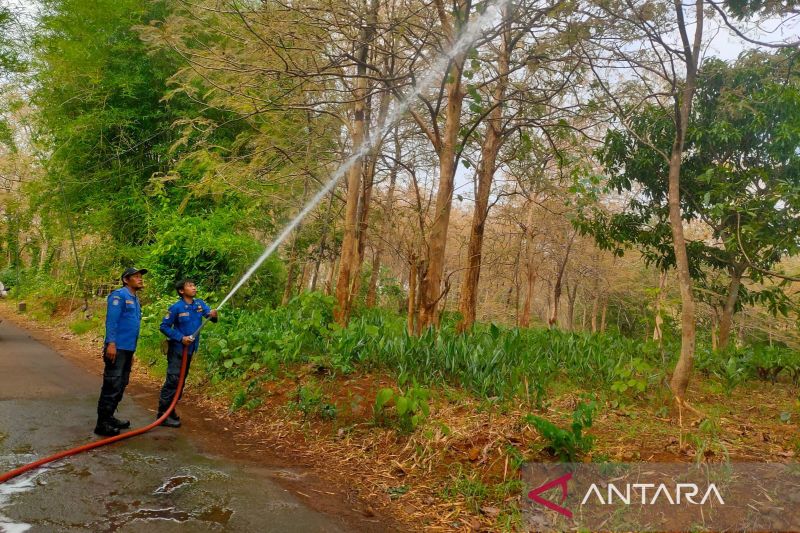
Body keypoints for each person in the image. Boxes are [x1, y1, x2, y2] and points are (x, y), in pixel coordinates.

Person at [157, 279, 218, 427]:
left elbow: (211, 317)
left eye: (194, 285)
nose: (194, 287)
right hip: (178, 350)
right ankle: (163, 414)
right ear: (181, 291)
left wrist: (214, 315)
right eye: (190, 286)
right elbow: (164, 326)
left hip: (190, 350)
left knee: (181, 382)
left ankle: (170, 411)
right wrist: (180, 338)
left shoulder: (199, 304)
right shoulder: (176, 308)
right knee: (173, 381)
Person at [95, 267, 147, 437]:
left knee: (121, 383)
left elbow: (132, 327)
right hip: (116, 348)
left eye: (141, 277)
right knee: (112, 384)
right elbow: (112, 321)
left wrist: (132, 352)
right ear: (126, 280)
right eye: (136, 277)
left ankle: (109, 417)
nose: (140, 279)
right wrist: (111, 343)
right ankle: (102, 424)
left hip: (127, 349)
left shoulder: (135, 299)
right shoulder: (119, 296)